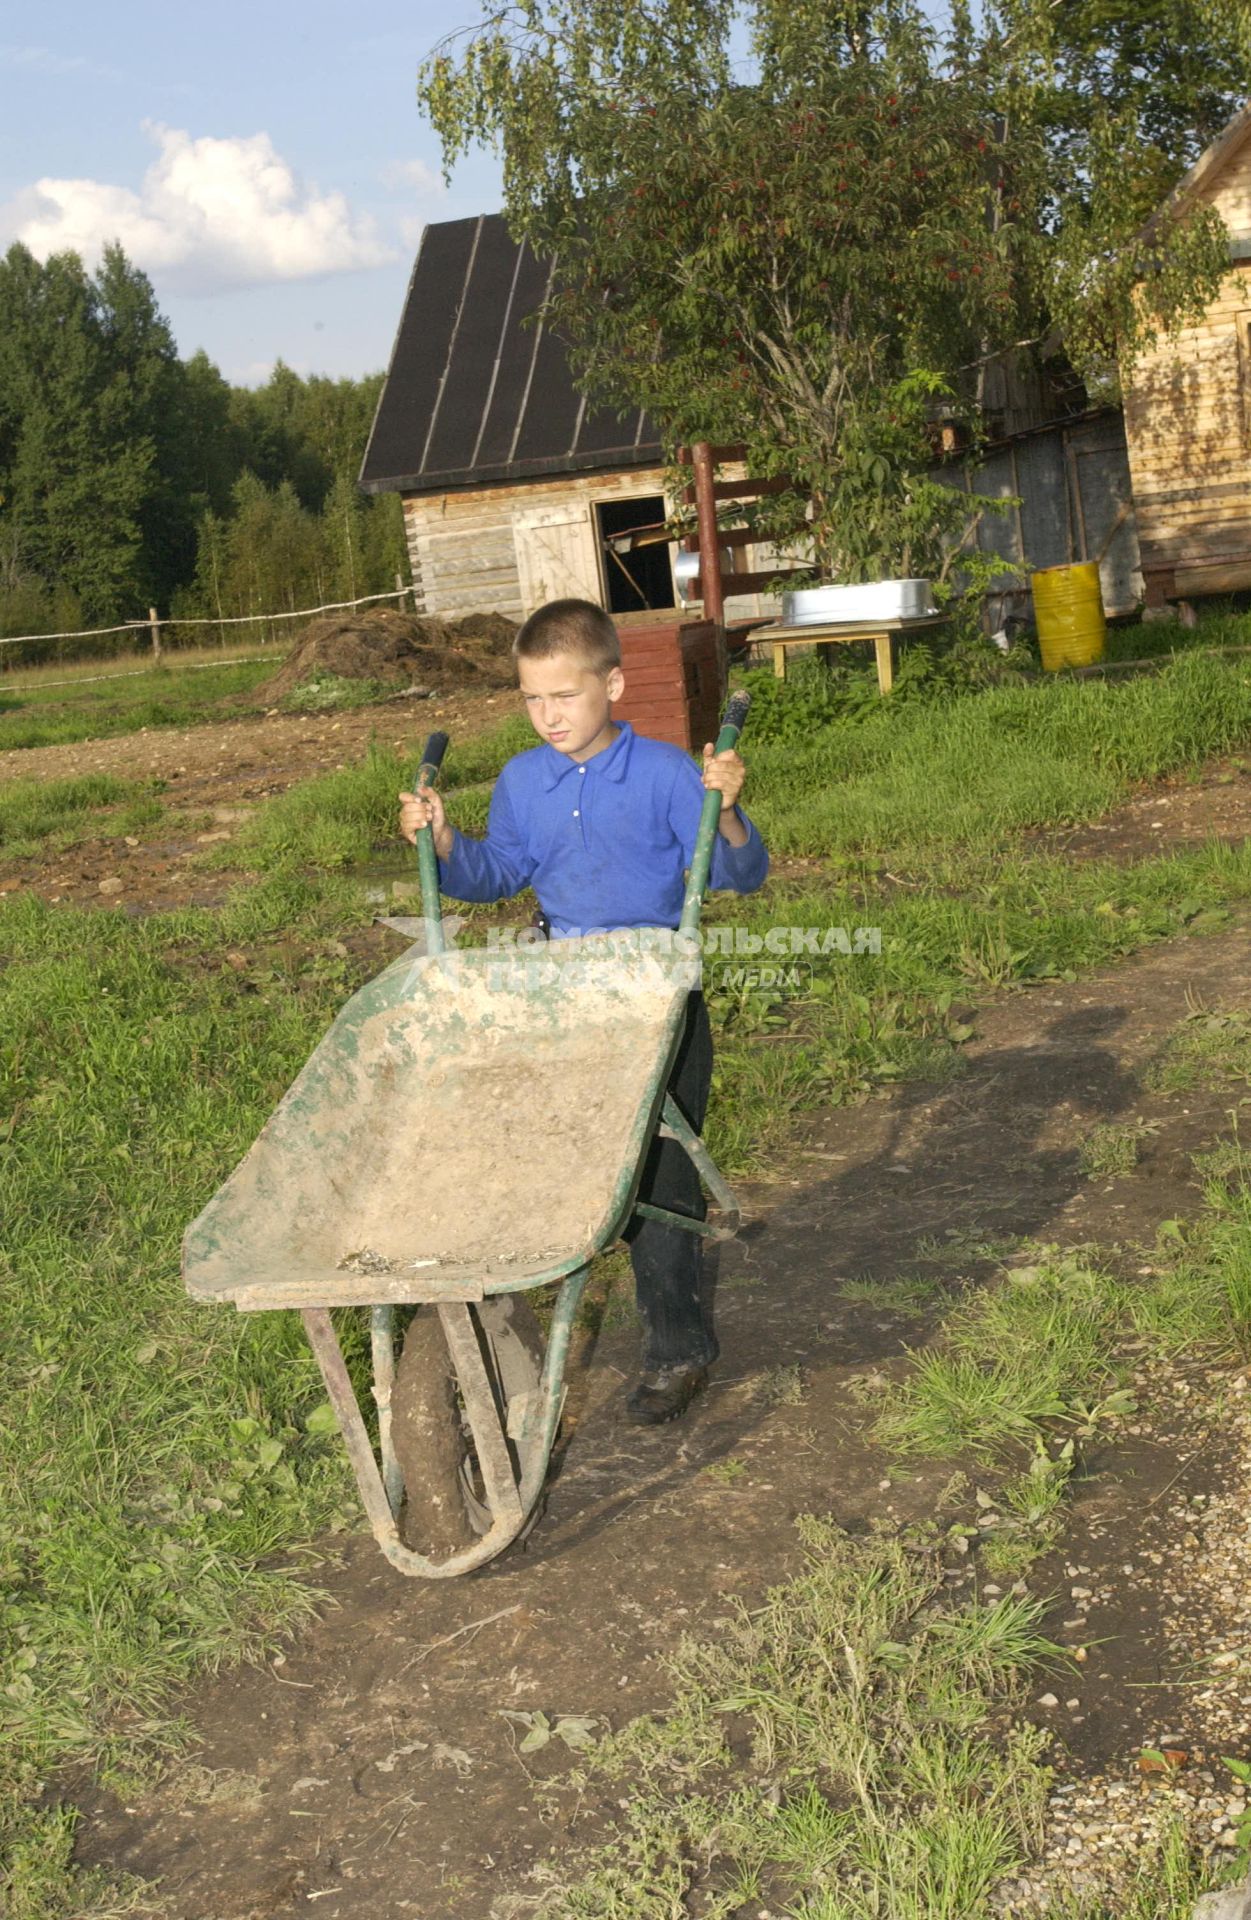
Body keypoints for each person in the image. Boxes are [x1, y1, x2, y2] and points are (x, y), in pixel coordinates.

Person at [398, 597, 768, 1425]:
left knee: (660, 1176)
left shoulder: (670, 773)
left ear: (613, 684)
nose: (548, 716)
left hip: (657, 994)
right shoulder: (523, 779)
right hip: (563, 993)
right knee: (548, 1156)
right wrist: (446, 843)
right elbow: (495, 875)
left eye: (563, 696)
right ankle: (514, 1321)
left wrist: (729, 808)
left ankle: (677, 1349)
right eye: (532, 699)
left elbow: (739, 877)